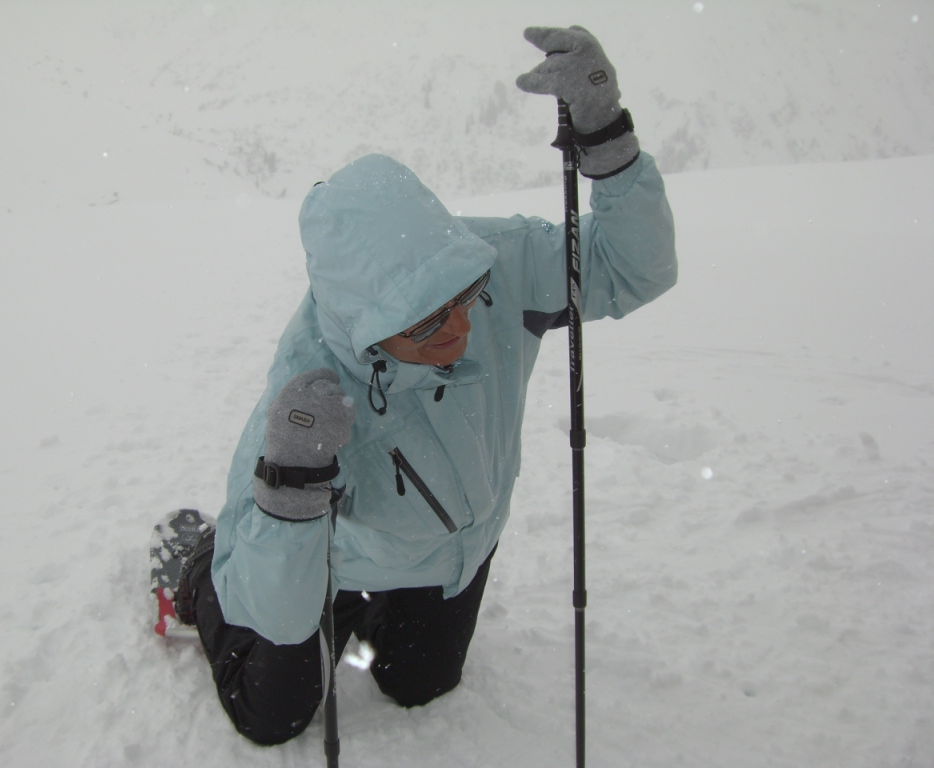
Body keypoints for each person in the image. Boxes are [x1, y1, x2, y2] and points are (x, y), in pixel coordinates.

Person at [170, 25, 677, 746]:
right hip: (326, 558)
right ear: (369, 328)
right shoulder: (309, 399)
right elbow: (274, 612)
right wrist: (289, 491)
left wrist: (605, 134)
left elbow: (632, 269)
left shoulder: (493, 265)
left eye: (462, 297)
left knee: (417, 683)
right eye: (426, 321)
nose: (461, 326)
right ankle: (202, 571)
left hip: (451, 554)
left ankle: (372, 608)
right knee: (273, 715)